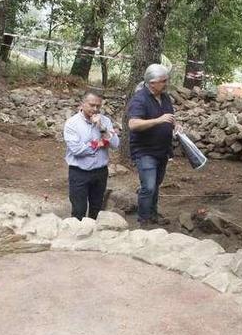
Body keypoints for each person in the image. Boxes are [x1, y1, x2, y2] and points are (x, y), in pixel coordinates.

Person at [127, 64, 177, 226]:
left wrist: (175, 126)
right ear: (152, 83)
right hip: (145, 151)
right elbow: (133, 124)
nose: (166, 83)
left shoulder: (165, 97)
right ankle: (143, 220)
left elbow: (169, 118)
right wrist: (158, 120)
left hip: (162, 150)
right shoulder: (139, 99)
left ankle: (153, 215)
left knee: (156, 185)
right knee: (148, 187)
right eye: (163, 80)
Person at [62, 90, 120, 220]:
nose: (95, 109)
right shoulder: (72, 123)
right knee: (78, 210)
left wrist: (102, 128)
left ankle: (94, 237)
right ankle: (77, 236)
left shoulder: (105, 121)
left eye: (98, 106)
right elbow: (77, 150)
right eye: (92, 105)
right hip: (79, 172)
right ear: (82, 104)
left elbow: (115, 144)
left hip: (100, 172)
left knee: (97, 209)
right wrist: (98, 144)